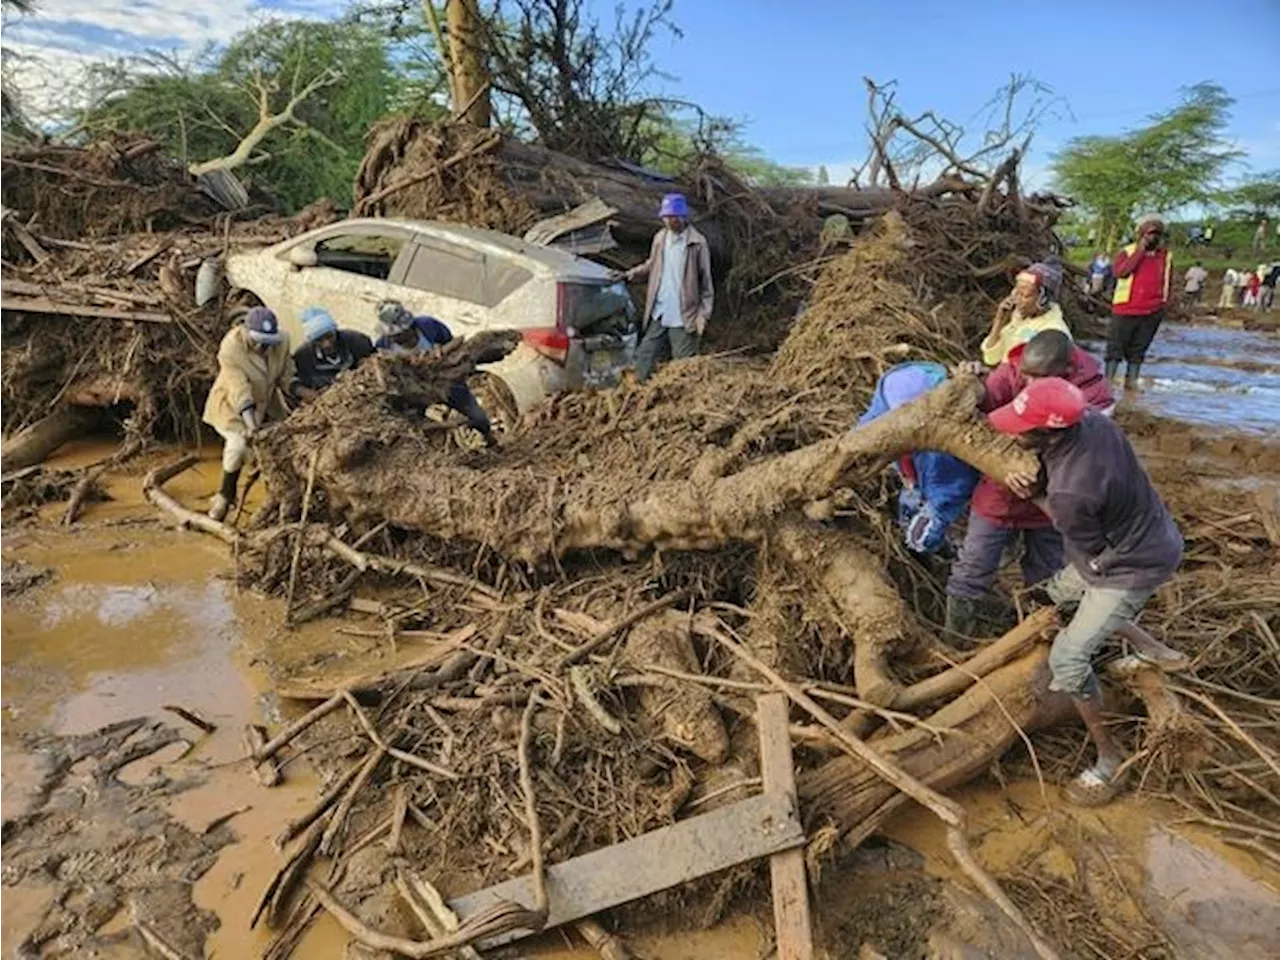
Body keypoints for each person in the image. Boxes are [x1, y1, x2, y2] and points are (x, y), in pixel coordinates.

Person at [990, 377, 1185, 806]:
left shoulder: (1071, 491)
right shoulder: (1094, 421)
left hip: (1129, 564)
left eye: (1021, 427)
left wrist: (1035, 494)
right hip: (1151, 532)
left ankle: (1108, 759)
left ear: (1049, 433)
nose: (1013, 432)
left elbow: (1085, 546)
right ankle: (1158, 652)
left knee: (1068, 656)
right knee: (1057, 596)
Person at [945, 331, 1115, 637]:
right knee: (973, 566)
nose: (1029, 386)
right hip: (1000, 488)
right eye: (1026, 377)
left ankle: (1033, 638)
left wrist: (1034, 472)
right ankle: (955, 640)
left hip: (1053, 498)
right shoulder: (1014, 368)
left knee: (1044, 575)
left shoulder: (1093, 393)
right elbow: (987, 409)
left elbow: (1085, 455)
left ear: (1065, 372)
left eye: (1041, 379)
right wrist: (970, 385)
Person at [857, 362, 979, 557]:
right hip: (913, 479)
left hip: (945, 495)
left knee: (921, 541)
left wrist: (932, 527)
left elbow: (949, 493)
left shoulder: (942, 452)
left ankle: (949, 553)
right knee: (909, 507)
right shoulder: (893, 388)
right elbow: (864, 432)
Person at [203, 307, 296, 522]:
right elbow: (239, 391)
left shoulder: (282, 341)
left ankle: (279, 495)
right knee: (238, 446)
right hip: (232, 408)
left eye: (268, 343)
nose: (263, 347)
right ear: (247, 333)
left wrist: (302, 392)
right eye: (258, 341)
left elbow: (287, 375)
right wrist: (252, 428)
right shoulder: (231, 348)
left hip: (266, 405)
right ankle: (225, 496)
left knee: (283, 445)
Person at [374, 300, 495, 445]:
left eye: (399, 334)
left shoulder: (428, 326)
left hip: (448, 384)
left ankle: (490, 440)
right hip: (416, 395)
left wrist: (440, 352)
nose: (395, 338)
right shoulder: (383, 346)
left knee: (478, 417)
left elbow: (451, 345)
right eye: (392, 335)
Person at [624, 193, 714, 381]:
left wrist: (702, 316)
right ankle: (638, 395)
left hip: (684, 315)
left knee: (684, 367)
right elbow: (652, 264)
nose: (669, 221)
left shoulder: (697, 243)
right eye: (666, 217)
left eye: (673, 217)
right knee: (644, 357)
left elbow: (706, 285)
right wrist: (630, 274)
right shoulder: (660, 238)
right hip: (660, 310)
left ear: (683, 217)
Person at [1107, 215, 1171, 390]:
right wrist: (1140, 252)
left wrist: (1163, 304)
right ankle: (1108, 384)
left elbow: (1166, 280)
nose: (1154, 237)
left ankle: (1131, 384)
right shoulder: (1127, 252)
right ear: (1141, 234)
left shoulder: (1165, 256)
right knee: (1115, 350)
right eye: (1150, 233)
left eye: (1157, 234)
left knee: (1138, 352)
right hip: (1126, 309)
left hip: (1152, 311)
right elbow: (1121, 272)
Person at [980, 260, 1070, 366]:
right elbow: (991, 359)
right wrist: (999, 322)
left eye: (1025, 296)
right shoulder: (1018, 318)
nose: (1017, 300)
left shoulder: (1054, 332)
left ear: (1044, 299)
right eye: (1017, 293)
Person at [292, 306, 373, 394]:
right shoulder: (303, 357)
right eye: (319, 340)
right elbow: (293, 381)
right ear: (312, 341)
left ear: (335, 331)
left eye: (329, 336)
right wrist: (303, 391)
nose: (327, 344)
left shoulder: (357, 342)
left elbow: (374, 363)